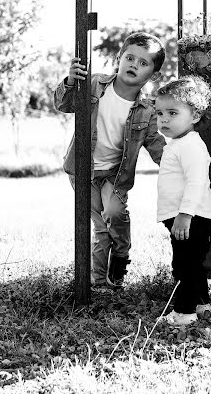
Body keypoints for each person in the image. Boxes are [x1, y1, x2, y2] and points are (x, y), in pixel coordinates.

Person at [54, 32, 166, 289]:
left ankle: (121, 253)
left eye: (143, 63)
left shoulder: (147, 110)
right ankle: (101, 283)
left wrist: (176, 166)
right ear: (119, 58)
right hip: (83, 171)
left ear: (154, 75)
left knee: (115, 213)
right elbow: (64, 104)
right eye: (130, 58)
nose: (134, 65)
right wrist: (71, 82)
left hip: (115, 174)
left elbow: (156, 145)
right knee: (101, 228)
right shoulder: (94, 85)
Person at [155, 75, 211, 326]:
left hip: (193, 217)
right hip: (187, 216)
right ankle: (202, 306)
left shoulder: (191, 145)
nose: (164, 119)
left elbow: (197, 182)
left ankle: (183, 313)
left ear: (194, 116)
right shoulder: (179, 143)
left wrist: (185, 214)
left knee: (184, 266)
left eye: (173, 112)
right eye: (160, 113)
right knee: (193, 264)